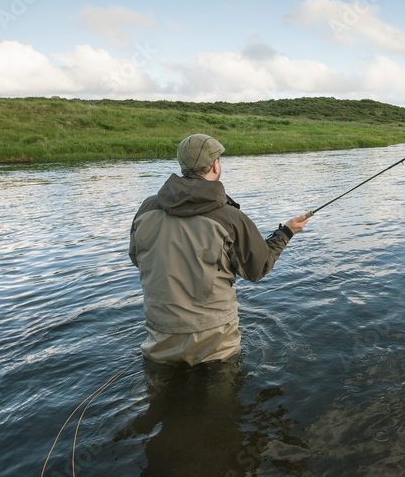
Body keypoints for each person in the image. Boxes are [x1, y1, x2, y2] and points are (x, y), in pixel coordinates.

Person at [129, 133, 309, 365]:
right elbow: (258, 269)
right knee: (221, 398)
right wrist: (286, 232)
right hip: (215, 338)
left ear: (183, 166)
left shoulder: (146, 209)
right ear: (215, 165)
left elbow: (137, 257)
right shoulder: (231, 217)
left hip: (160, 332)